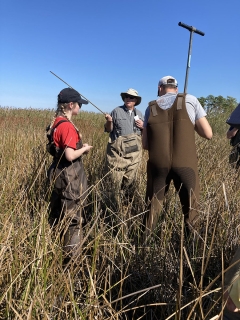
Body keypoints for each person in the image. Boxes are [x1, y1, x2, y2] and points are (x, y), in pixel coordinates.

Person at [142, 76, 212, 236]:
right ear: (177, 89)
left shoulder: (150, 108)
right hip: (186, 165)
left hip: (158, 165)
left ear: (160, 88)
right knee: (191, 208)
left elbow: (145, 145)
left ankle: (144, 244)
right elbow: (208, 134)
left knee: (152, 208)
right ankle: (192, 249)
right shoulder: (191, 100)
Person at [47, 88, 93, 266]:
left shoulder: (56, 122)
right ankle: (72, 263)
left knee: (59, 213)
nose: (80, 107)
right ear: (71, 105)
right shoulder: (66, 126)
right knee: (74, 219)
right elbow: (70, 155)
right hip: (70, 175)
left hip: (58, 173)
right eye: (79, 104)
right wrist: (86, 148)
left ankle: (57, 249)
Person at [104, 88, 144, 200]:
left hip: (134, 155)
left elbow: (144, 133)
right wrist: (109, 121)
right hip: (118, 155)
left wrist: (143, 126)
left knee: (130, 181)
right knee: (114, 181)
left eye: (131, 97)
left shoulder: (139, 114)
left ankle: (126, 204)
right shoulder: (116, 111)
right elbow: (108, 129)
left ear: (135, 100)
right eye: (126, 96)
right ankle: (113, 205)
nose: (128, 99)